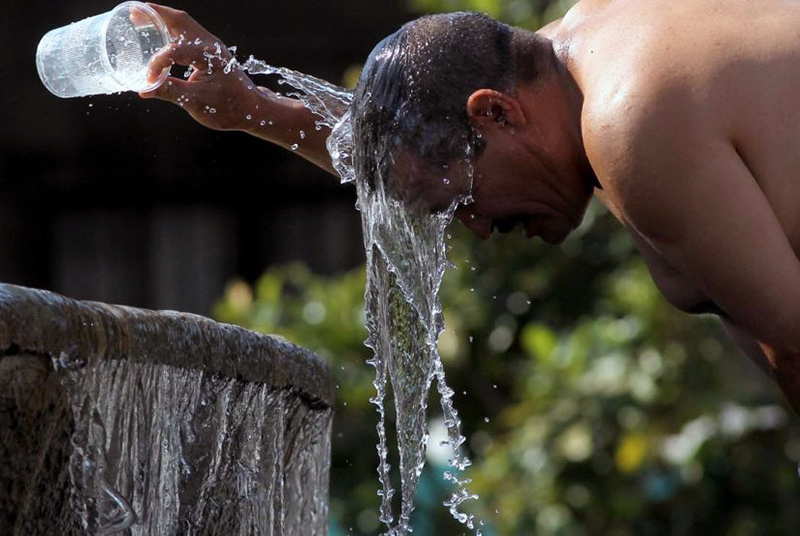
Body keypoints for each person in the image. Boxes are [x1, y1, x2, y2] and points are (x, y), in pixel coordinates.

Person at [140, 1, 800, 416]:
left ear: (497, 113)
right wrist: (252, 106)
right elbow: (415, 155)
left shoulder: (629, 123)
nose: (479, 227)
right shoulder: (576, 58)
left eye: (462, 201)